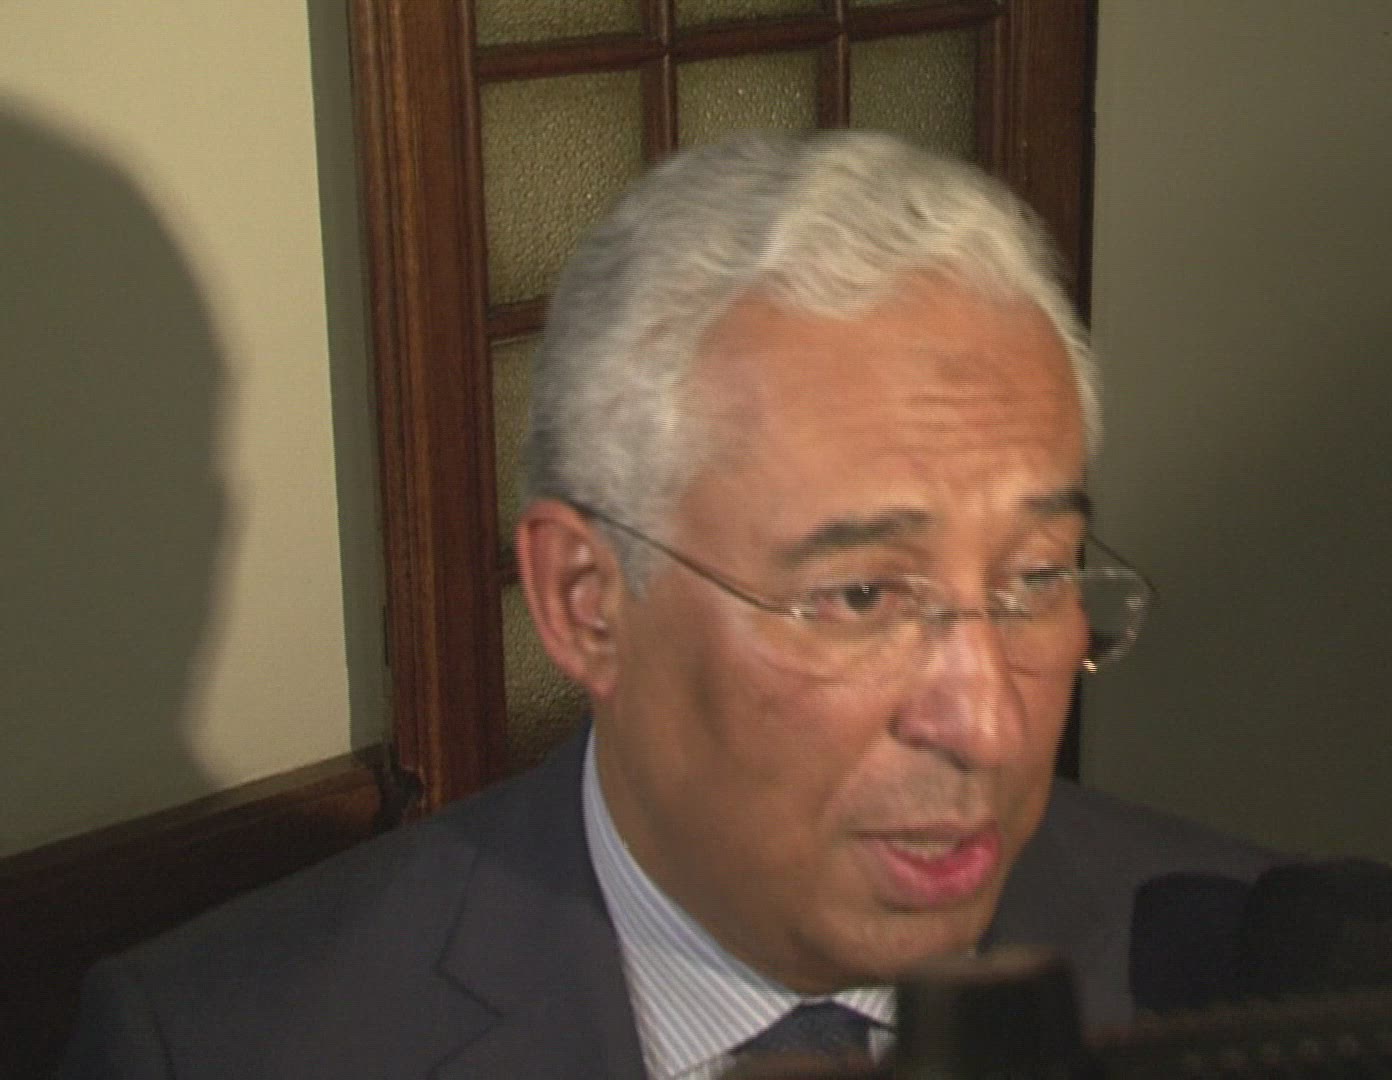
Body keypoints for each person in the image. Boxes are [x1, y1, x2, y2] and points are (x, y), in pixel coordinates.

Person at [56, 131, 1291, 1078]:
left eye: (1032, 580)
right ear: (586, 603)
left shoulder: (1263, 978)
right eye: (862, 595)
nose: (987, 724)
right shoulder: (227, 1046)